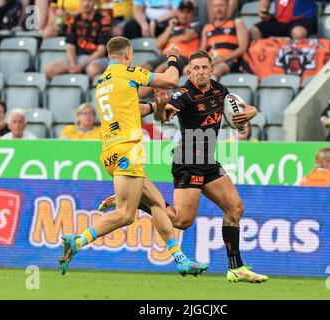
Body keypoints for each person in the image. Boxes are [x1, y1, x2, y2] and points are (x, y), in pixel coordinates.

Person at [100, 50, 269, 283]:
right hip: (188, 161)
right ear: (188, 71)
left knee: (235, 208)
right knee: (181, 221)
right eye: (195, 68)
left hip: (209, 161)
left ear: (211, 69)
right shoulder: (183, 94)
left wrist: (251, 112)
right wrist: (160, 106)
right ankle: (137, 200)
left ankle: (236, 268)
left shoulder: (220, 90)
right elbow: (164, 115)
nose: (200, 72)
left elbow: (244, 108)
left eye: (204, 67)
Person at [58, 37, 208, 277]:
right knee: (126, 215)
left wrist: (153, 106)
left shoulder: (102, 81)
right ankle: (77, 241)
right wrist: (172, 58)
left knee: (158, 203)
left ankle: (180, 259)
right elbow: (170, 80)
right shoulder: (129, 72)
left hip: (109, 151)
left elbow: (133, 109)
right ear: (128, 56)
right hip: (128, 149)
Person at [138, 0, 200, 98]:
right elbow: (158, 44)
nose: (184, 15)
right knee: (142, 66)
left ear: (192, 14)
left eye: (188, 12)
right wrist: (170, 27)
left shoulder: (196, 25)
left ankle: (139, 96)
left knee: (162, 68)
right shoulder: (172, 28)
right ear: (177, 13)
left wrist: (170, 39)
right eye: (182, 12)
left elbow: (187, 36)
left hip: (182, 57)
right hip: (164, 55)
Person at [44, 0, 112, 80]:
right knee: (49, 69)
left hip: (98, 58)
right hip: (78, 57)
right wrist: (73, 65)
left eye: (89, 1)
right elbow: (70, 47)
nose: (86, 4)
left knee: (92, 70)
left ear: (94, 2)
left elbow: (101, 51)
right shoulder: (74, 19)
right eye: (83, 1)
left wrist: (80, 66)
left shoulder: (103, 19)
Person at [200, 0, 248, 80]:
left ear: (227, 7)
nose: (218, 9)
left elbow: (243, 48)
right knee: (187, 70)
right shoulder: (207, 27)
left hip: (230, 60)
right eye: (216, 6)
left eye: (221, 6)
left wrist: (225, 57)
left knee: (214, 72)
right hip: (211, 61)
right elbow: (201, 51)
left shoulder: (236, 23)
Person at [249, 0, 318, 42]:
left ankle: (296, 63)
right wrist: (263, 10)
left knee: (298, 33)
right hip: (279, 19)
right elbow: (264, 5)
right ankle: (260, 62)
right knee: (254, 31)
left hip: (303, 18)